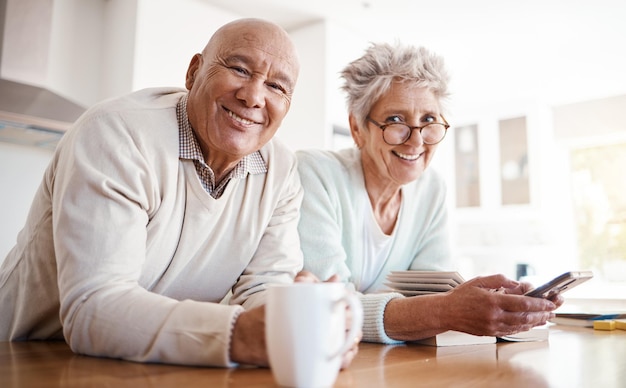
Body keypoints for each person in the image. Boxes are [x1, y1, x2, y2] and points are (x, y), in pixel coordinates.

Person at [0, 18, 358, 368]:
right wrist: (241, 334)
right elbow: (93, 307)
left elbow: (263, 287)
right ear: (193, 72)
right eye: (239, 69)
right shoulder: (118, 133)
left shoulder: (280, 170)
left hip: (156, 364)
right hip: (30, 357)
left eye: (277, 87)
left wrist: (294, 317)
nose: (253, 96)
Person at [296, 42, 562, 344]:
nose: (416, 141)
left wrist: (495, 299)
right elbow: (329, 306)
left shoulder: (431, 188)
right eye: (395, 121)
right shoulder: (315, 174)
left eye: (428, 120)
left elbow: (433, 295)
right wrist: (440, 311)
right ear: (357, 128)